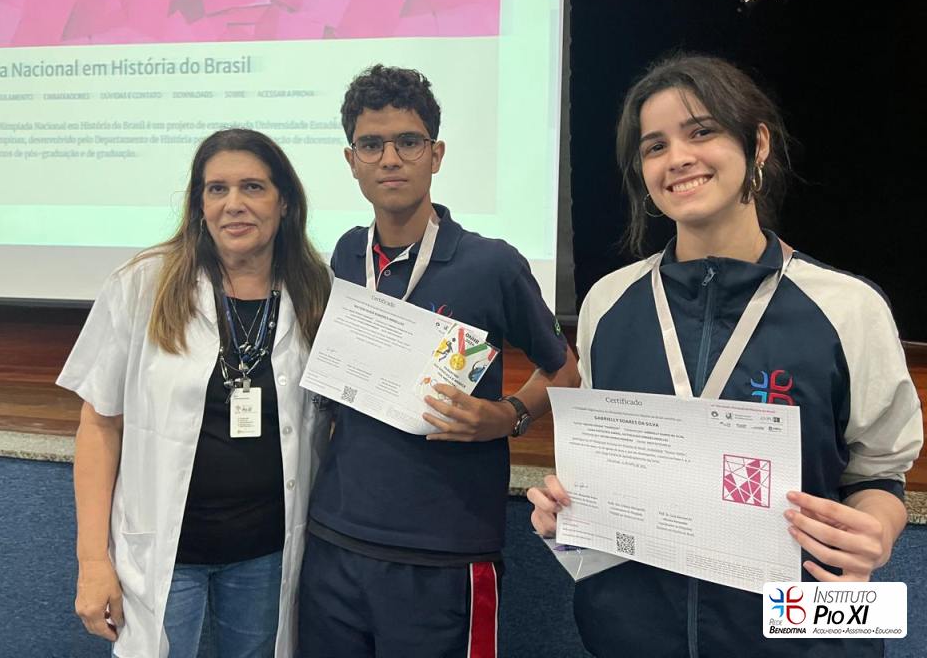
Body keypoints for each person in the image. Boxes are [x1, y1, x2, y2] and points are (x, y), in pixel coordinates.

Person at [527, 54, 923, 657]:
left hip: (800, 632)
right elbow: (607, 466)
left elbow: (878, 473)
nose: (677, 158)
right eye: (655, 146)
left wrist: (878, 530)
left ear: (757, 143)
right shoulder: (610, 302)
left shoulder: (848, 307)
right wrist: (570, 510)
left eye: (701, 131)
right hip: (633, 634)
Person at [296, 64, 581, 658]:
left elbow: (565, 369)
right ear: (351, 161)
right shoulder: (346, 254)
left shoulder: (492, 264)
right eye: (371, 145)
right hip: (335, 539)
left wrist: (506, 416)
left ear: (436, 154)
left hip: (444, 551)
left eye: (409, 141)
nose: (390, 159)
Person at [59, 129, 332, 658]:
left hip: (265, 554)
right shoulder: (143, 284)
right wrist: (92, 561)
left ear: (284, 202)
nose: (234, 204)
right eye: (217, 189)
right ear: (199, 205)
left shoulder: (315, 291)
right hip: (165, 552)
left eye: (253, 187)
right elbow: (99, 425)